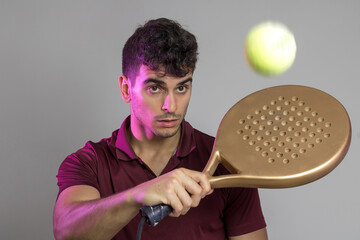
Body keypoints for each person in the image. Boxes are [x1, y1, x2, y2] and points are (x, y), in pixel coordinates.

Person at [53, 18, 268, 240]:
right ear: (126, 89)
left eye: (182, 87)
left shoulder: (227, 165)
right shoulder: (89, 162)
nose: (171, 106)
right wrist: (139, 194)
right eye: (155, 88)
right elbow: (66, 232)